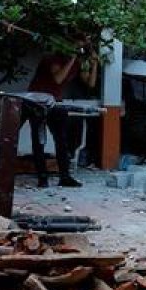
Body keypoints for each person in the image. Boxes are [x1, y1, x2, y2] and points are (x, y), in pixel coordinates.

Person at [25, 39, 98, 187]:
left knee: (62, 140)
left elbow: (90, 83)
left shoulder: (78, 63)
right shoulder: (53, 58)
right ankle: (42, 177)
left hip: (54, 101)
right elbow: (58, 78)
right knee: (39, 140)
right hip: (36, 99)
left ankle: (65, 176)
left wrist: (95, 63)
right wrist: (72, 59)